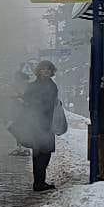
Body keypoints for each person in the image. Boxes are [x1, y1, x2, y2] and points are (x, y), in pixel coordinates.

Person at [14, 60, 66, 192]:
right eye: (43, 69)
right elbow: (28, 101)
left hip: (48, 124)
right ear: (39, 71)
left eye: (48, 69)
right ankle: (39, 183)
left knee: (46, 153)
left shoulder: (52, 86)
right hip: (36, 123)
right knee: (39, 154)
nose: (46, 72)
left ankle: (40, 181)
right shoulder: (34, 86)